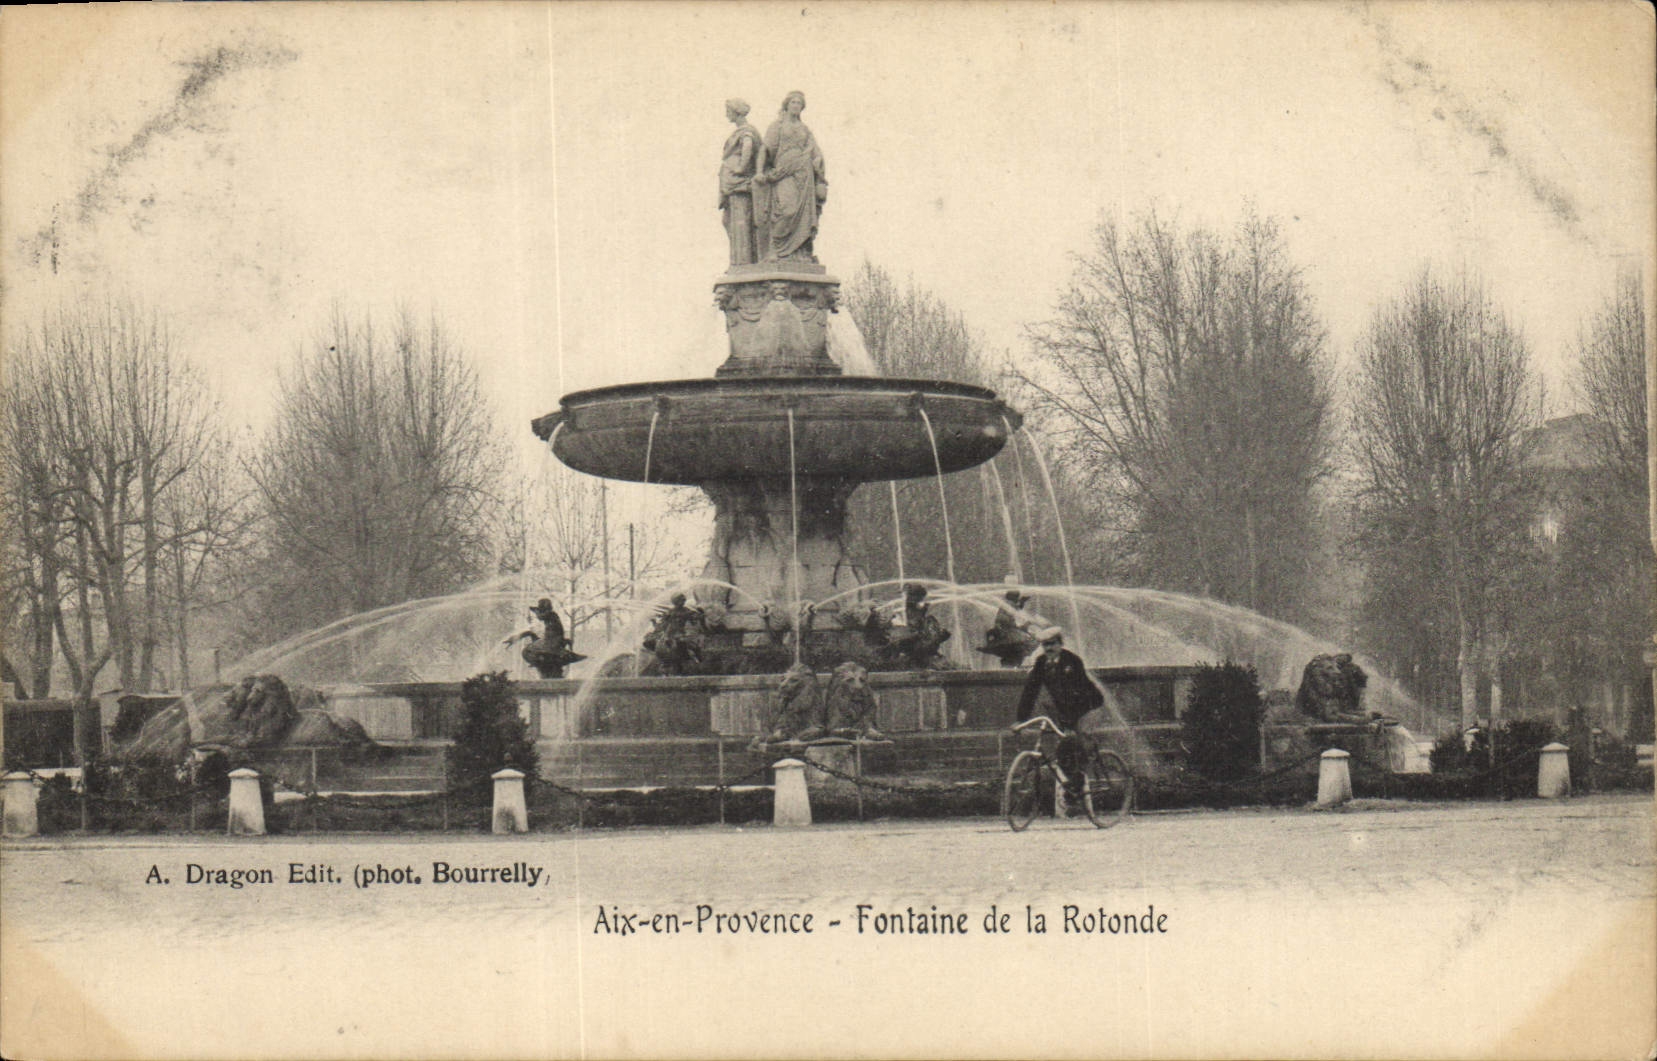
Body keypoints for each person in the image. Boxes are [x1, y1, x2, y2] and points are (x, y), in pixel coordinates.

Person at [1015, 627, 1104, 807]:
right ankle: (1073, 787)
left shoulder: (1072, 661)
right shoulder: (1041, 663)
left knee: (1081, 739)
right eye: (1045, 645)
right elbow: (1030, 691)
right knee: (1063, 750)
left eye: (1052, 644)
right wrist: (1020, 720)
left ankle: (1081, 776)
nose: (1049, 648)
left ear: (1060, 644)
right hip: (1067, 711)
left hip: (1088, 706)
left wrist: (1071, 724)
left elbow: (1079, 693)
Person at [754, 90, 827, 263]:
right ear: (786, 105)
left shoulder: (805, 129)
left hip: (805, 175)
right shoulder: (777, 126)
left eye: (799, 104)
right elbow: (764, 149)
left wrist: (817, 159)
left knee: (805, 216)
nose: (796, 106)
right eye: (793, 102)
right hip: (784, 172)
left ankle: (800, 252)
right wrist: (758, 171)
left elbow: (816, 151)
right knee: (788, 210)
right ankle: (775, 248)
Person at [718, 98, 762, 266]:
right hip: (732, 185)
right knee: (729, 221)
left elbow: (748, 146)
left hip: (740, 184)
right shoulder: (740, 131)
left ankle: (742, 263)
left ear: (735, 112)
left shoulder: (746, 131)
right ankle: (739, 262)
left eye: (728, 110)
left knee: (740, 222)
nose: (726, 114)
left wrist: (741, 168)